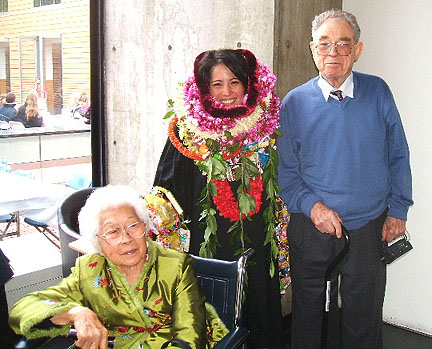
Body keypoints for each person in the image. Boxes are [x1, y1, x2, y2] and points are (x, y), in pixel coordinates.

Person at [277, 9, 413, 348]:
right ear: (312, 50)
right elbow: (287, 174)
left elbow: (398, 153)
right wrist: (314, 208)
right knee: (308, 318)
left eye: (342, 44)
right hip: (312, 227)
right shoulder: (293, 103)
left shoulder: (378, 92)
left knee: (363, 318)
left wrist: (398, 209)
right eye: (324, 44)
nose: (333, 53)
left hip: (369, 227)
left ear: (357, 50)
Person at [154, 49, 285, 348]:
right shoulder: (187, 131)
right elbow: (166, 191)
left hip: (256, 238)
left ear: (247, 85)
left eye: (234, 82)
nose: (226, 92)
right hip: (207, 242)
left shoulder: (265, 126)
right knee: (213, 316)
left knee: (259, 312)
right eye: (216, 84)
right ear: (204, 87)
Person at [9, 185, 228, 348]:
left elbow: (189, 338)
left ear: (146, 228)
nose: (126, 238)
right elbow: (23, 309)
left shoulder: (176, 267)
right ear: (98, 243)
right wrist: (75, 312)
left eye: (133, 226)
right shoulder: (90, 269)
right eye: (113, 231)